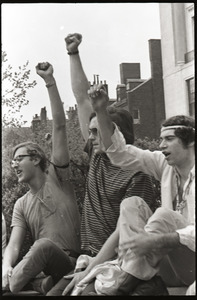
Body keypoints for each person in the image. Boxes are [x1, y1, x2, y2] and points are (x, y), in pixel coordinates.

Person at [46, 33, 165, 296]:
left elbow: (123, 233)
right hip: (90, 257)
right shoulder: (98, 156)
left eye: (96, 131)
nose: (90, 137)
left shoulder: (138, 173)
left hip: (116, 261)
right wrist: (73, 54)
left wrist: (91, 269)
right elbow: (82, 99)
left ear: (117, 134)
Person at [71, 84, 195, 296]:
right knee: (132, 204)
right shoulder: (164, 164)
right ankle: (131, 277)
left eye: (169, 139)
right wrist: (101, 109)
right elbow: (120, 153)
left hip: (191, 263)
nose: (162, 145)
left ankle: (122, 284)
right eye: (161, 139)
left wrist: (156, 240)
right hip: (167, 263)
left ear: (191, 142)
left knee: (164, 215)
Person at [2, 62, 81, 295]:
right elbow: (14, 245)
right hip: (45, 273)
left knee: (44, 246)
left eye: (19, 159)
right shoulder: (21, 204)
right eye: (12, 161)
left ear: (36, 159)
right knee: (45, 284)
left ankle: (12, 284)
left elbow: (59, 126)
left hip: (70, 264)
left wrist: (50, 81)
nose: (14, 164)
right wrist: (6, 265)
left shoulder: (58, 178)